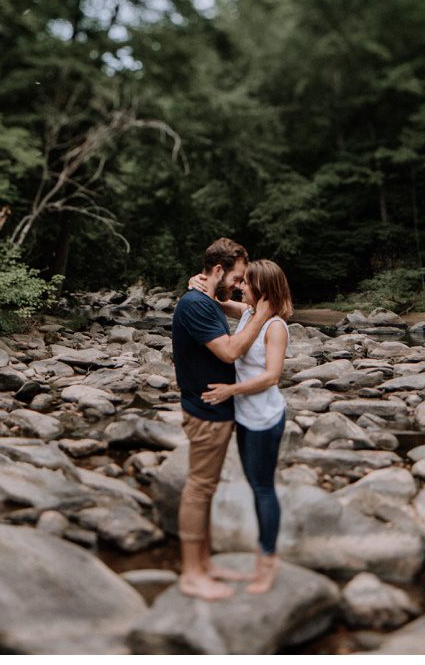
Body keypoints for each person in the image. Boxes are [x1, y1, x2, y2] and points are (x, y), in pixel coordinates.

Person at [171, 237, 274, 601]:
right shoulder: (195, 304)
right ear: (218, 270)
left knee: (206, 488)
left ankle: (205, 563)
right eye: (238, 276)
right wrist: (262, 315)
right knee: (199, 489)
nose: (240, 283)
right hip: (205, 410)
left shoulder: (205, 298)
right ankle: (191, 573)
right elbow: (230, 352)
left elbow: (224, 302)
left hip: (215, 409)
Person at [194, 259, 293, 594]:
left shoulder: (275, 326)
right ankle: (263, 555)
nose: (240, 286)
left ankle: (269, 560)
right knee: (255, 484)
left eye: (246, 283)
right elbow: (220, 302)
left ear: (262, 289)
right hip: (246, 416)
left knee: (263, 488)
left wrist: (230, 391)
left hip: (264, 418)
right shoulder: (250, 313)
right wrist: (201, 283)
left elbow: (272, 376)